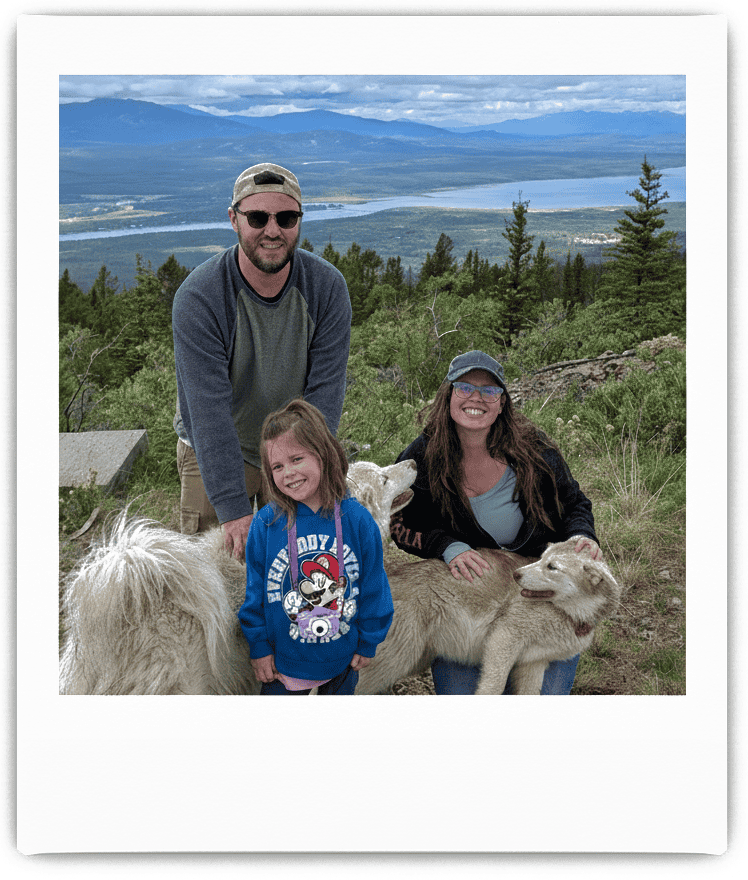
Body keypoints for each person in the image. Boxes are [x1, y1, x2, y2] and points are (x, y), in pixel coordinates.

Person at [389, 350, 602, 695]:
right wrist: (445, 545)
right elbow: (398, 523)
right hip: (470, 603)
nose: (477, 398)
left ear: (501, 403)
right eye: (465, 387)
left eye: (489, 391)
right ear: (449, 395)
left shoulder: (535, 450)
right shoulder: (423, 455)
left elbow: (574, 502)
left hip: (541, 600)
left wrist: (582, 535)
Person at [172, 162, 352, 560]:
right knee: (211, 570)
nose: (273, 230)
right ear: (234, 220)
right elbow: (207, 411)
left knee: (297, 559)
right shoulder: (201, 297)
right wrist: (233, 508)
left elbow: (324, 395)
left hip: (292, 443)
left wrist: (305, 465)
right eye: (258, 217)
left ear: (299, 222)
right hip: (214, 446)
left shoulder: (326, 288)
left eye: (286, 217)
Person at [238, 399, 394, 695]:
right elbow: (254, 593)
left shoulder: (358, 521)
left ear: (323, 454)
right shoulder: (266, 524)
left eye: (297, 459)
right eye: (277, 466)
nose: (288, 473)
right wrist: (258, 647)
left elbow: (374, 585)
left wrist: (369, 640)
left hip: (343, 659)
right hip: (281, 665)